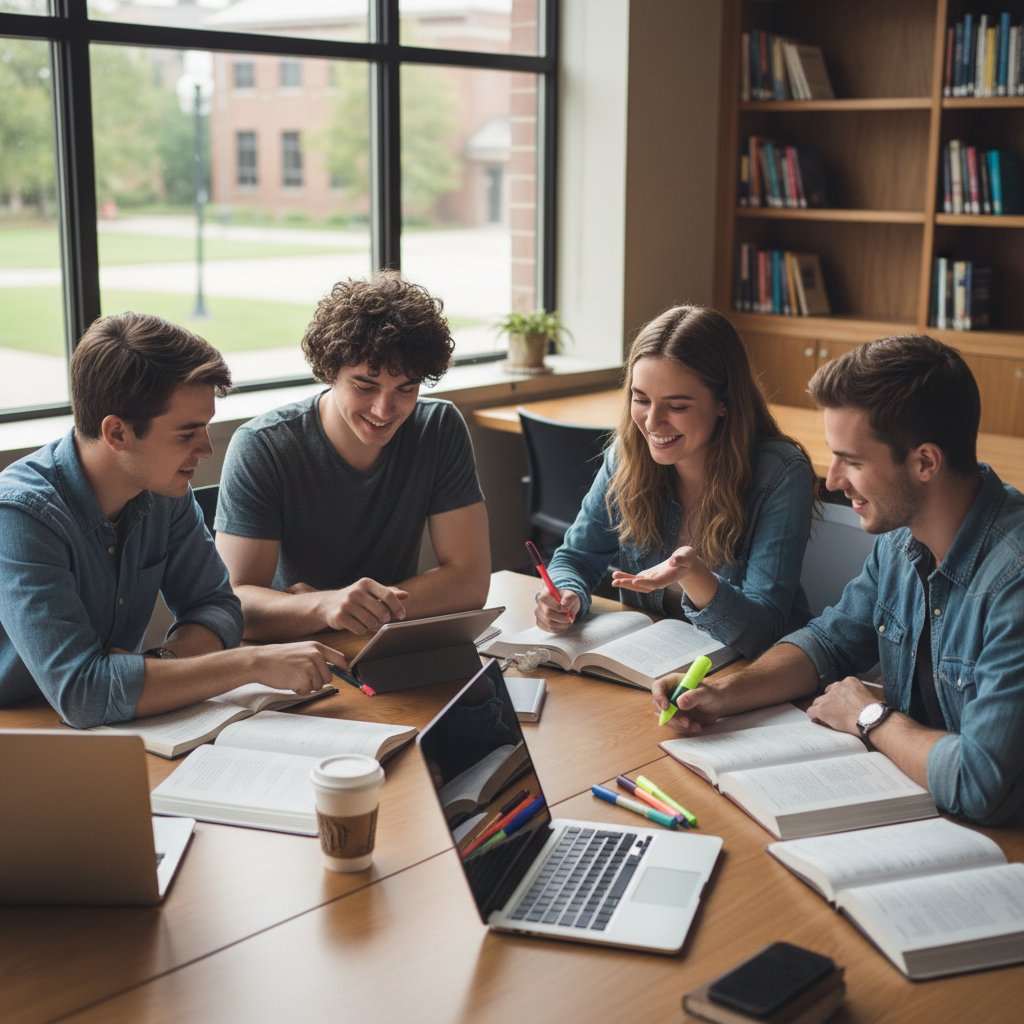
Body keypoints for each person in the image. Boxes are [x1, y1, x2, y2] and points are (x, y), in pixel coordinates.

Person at [655, 334, 1024, 826]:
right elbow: (829, 642)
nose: (831, 481)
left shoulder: (1013, 581)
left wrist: (870, 717)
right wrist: (725, 694)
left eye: (851, 460)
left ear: (925, 462)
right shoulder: (902, 540)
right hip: (924, 807)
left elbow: (981, 782)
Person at [0, 313, 345, 729]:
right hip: (20, 732)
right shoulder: (20, 516)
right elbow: (84, 693)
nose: (205, 450)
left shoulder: (161, 487)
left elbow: (218, 606)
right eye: (187, 433)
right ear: (117, 433)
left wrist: (164, 663)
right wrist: (250, 662)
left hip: (118, 722)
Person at [214, 271, 490, 641]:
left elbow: (470, 582)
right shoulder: (263, 445)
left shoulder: (437, 427)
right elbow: (235, 606)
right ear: (330, 371)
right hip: (297, 648)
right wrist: (327, 607)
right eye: (365, 385)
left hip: (389, 643)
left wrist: (356, 609)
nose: (384, 409)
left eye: (406, 389)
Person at [535, 304, 815, 659]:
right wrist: (565, 594)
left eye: (677, 406)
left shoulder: (780, 473)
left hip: (752, 672)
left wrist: (695, 575)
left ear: (724, 403)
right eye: (641, 399)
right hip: (654, 662)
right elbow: (575, 558)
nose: (652, 422)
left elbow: (762, 633)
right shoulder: (627, 454)